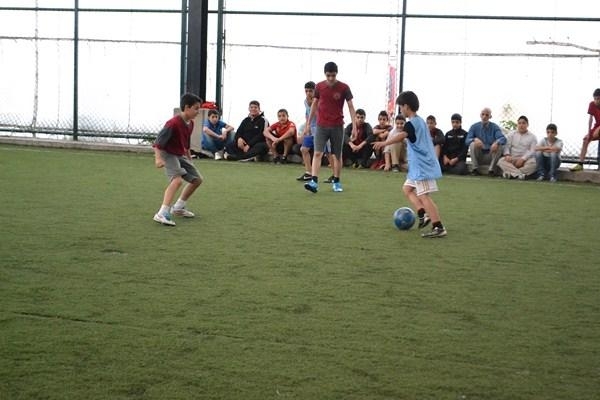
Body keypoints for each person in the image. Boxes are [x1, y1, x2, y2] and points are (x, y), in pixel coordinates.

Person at [373, 91, 447, 238]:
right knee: (407, 189)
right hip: (417, 167)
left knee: (424, 195)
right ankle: (423, 213)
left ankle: (438, 227)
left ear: (406, 106)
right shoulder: (419, 121)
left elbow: (401, 136)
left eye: (401, 107)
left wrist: (384, 143)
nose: (400, 110)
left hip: (422, 166)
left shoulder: (412, 124)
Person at [304, 61, 356, 193]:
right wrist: (308, 124)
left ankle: (336, 181)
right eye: (328, 75)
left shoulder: (344, 87)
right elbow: (314, 104)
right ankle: (314, 182)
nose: (331, 78)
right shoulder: (319, 86)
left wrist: (354, 126)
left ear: (336, 73)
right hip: (321, 125)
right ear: (325, 74)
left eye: (333, 75)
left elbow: (351, 106)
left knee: (336, 155)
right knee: (317, 153)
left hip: (337, 126)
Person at [152, 93, 204, 226]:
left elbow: (186, 144)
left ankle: (178, 207)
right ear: (186, 107)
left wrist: (189, 159)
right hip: (168, 153)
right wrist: (158, 159)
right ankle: (162, 213)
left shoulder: (191, 123)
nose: (198, 112)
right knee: (177, 180)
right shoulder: (173, 123)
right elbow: (158, 143)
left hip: (179, 154)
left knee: (197, 180)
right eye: (196, 108)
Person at [294, 81, 334, 181]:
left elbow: (319, 115)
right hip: (311, 129)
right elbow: (307, 114)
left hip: (322, 129)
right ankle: (308, 173)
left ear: (315, 91)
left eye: (310, 91)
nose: (308, 93)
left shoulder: (320, 101)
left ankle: (335, 175)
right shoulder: (305, 101)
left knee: (328, 153)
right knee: (304, 149)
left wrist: (313, 104)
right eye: (306, 91)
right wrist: (306, 127)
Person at [465, 107, 506, 176]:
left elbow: (503, 138)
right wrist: (474, 139)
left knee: (499, 145)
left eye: (487, 115)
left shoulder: (495, 127)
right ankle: (475, 169)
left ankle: (491, 170)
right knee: (472, 144)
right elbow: (467, 141)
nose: (484, 117)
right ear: (480, 115)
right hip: (479, 155)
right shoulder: (474, 126)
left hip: (491, 155)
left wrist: (496, 142)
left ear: (490, 116)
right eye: (483, 114)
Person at [497, 115, 538, 180]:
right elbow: (506, 146)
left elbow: (532, 151)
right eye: (519, 123)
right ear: (517, 124)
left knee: (534, 163)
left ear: (527, 125)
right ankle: (520, 175)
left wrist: (523, 159)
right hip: (512, 159)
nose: (521, 125)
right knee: (501, 161)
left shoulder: (532, 137)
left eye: (523, 123)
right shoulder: (511, 134)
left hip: (525, 160)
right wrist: (507, 155)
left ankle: (511, 174)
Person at [569, 88, 600, 171]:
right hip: (597, 126)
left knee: (598, 131)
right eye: (595, 99)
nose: (596, 101)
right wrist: (589, 132)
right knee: (585, 140)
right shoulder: (592, 104)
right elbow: (590, 119)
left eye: (598, 99)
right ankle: (580, 164)